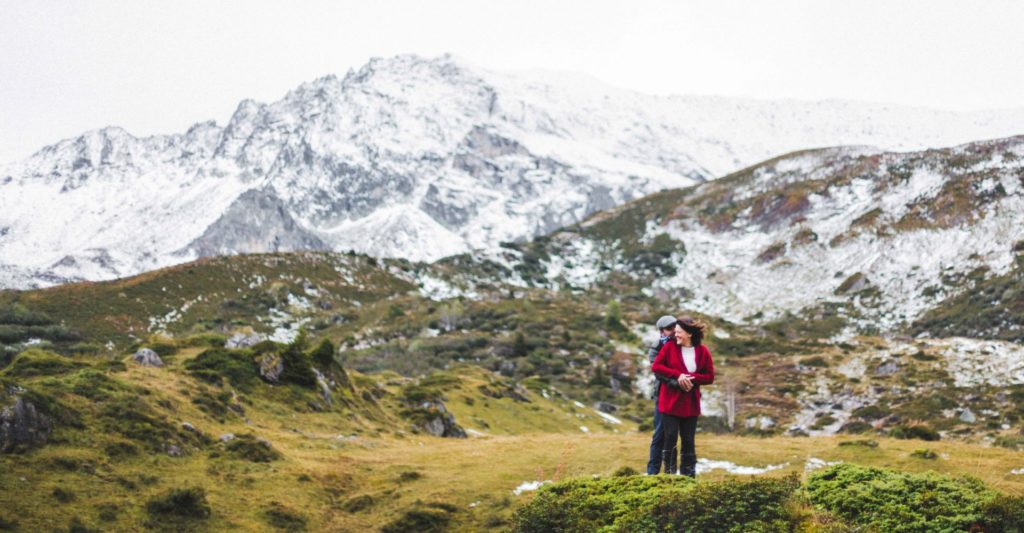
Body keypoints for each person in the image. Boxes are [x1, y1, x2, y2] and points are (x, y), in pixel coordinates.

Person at [651, 316, 714, 477]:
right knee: (669, 438)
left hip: (690, 404)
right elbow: (657, 367)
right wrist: (678, 376)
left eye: (679, 332)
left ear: (689, 334)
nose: (675, 335)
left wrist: (690, 379)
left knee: (688, 441)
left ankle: (689, 476)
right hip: (669, 403)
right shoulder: (669, 348)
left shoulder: (703, 351)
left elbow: (709, 377)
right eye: (675, 332)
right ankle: (669, 475)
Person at [646, 315, 679, 475]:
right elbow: (657, 369)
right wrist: (675, 382)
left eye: (675, 327)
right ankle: (652, 472)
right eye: (669, 328)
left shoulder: (683, 343)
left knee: (675, 434)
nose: (673, 330)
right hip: (663, 395)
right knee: (660, 433)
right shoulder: (657, 346)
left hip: (680, 396)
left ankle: (671, 472)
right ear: (662, 332)